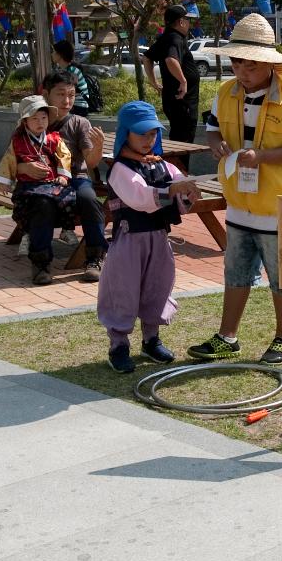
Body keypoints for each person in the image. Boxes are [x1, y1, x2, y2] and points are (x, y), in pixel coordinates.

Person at [187, 14, 282, 365]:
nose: (242, 71)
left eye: (251, 65)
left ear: (270, 65)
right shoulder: (225, 93)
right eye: (236, 62)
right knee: (236, 271)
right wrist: (215, 143)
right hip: (239, 202)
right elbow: (212, 129)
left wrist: (261, 156)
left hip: (277, 204)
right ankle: (227, 336)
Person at [97, 101, 199, 373]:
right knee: (123, 290)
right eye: (141, 133)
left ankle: (151, 339)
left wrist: (187, 193)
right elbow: (139, 198)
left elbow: (180, 189)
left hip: (158, 237)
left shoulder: (163, 165)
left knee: (158, 286)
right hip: (130, 239)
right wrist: (175, 189)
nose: (148, 139)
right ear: (125, 134)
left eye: (153, 133)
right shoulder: (120, 168)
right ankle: (118, 345)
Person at [0, 95, 75, 286]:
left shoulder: (54, 139)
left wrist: (63, 176)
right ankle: (36, 254)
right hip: (28, 187)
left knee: (68, 198)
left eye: (43, 118)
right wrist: (5, 180)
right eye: (34, 119)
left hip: (52, 184)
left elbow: (65, 156)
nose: (40, 122)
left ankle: (66, 229)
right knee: (38, 203)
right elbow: (9, 160)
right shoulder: (18, 141)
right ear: (24, 121)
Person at [42, 72, 109, 281]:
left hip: (76, 178)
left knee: (89, 200)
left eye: (71, 95)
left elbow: (90, 162)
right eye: (61, 94)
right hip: (44, 180)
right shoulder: (35, 120)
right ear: (46, 94)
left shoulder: (80, 123)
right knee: (40, 203)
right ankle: (41, 263)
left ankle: (95, 257)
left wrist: (98, 147)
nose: (67, 100)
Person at [144, 5, 200, 143]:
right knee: (183, 142)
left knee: (178, 139)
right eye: (188, 20)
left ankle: (176, 165)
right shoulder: (176, 39)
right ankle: (178, 166)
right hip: (182, 102)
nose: (189, 24)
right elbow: (171, 59)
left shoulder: (166, 37)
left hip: (173, 101)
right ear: (181, 22)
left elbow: (147, 57)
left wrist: (154, 81)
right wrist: (183, 81)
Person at [52, 40, 91, 118]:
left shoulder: (73, 70)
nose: (52, 54)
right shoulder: (64, 69)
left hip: (78, 107)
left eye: (54, 52)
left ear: (60, 54)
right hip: (71, 105)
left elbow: (70, 91)